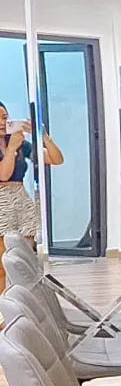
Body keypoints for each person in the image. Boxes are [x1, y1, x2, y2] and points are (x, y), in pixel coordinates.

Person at [0, 103, 62, 289]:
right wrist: (11, 149)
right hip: (2, 202)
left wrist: (43, 136)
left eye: (4, 117)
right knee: (2, 262)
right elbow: (3, 175)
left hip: (20, 199)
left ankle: (25, 297)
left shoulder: (19, 143)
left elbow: (56, 159)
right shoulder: (13, 144)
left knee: (25, 257)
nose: (2, 122)